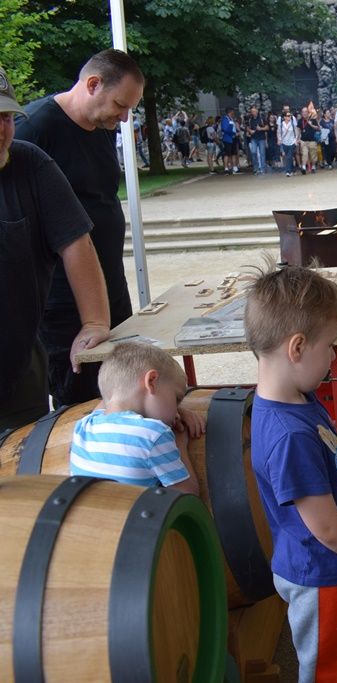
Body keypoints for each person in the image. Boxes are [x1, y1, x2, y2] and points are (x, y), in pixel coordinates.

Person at [245, 263, 337, 683]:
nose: (333, 356)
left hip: (327, 565)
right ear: (296, 348)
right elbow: (326, 527)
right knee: (328, 671)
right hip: (320, 573)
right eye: (329, 346)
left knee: (336, 653)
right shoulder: (289, 435)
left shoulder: (299, 398)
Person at [15, 48, 144, 409]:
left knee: (125, 388)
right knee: (82, 401)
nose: (123, 117)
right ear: (92, 84)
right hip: (63, 302)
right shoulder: (34, 128)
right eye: (120, 104)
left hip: (110, 288)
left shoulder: (101, 127)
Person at [0, 66, 111, 430]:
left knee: (22, 479)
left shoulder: (28, 163)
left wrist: (94, 320)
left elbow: (76, 241)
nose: (2, 130)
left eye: (5, 117)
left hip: (18, 373)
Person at [69, 342, 203, 495]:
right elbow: (187, 494)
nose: (176, 411)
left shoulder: (84, 426)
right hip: (133, 518)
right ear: (151, 381)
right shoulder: (154, 435)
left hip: (90, 516)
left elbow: (107, 401)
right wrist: (180, 442)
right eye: (177, 398)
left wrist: (174, 408)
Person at [246, 105, 268, 175]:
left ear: (257, 111)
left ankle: (263, 169)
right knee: (253, 152)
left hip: (261, 138)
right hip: (253, 138)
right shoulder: (250, 119)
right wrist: (250, 131)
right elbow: (247, 127)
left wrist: (261, 129)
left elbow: (267, 127)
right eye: (252, 111)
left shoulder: (262, 118)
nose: (253, 112)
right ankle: (256, 169)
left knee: (262, 154)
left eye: (254, 111)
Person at [278, 108, 298, 177]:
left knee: (289, 156)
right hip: (284, 142)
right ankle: (292, 169)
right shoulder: (282, 124)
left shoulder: (292, 123)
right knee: (287, 156)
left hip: (292, 142)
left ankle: (288, 171)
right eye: (287, 116)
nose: (289, 117)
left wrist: (296, 140)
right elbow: (279, 132)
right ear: (284, 117)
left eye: (289, 116)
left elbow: (296, 131)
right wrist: (279, 140)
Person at [220, 107, 240, 174]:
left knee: (234, 153)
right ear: (230, 112)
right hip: (228, 139)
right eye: (232, 112)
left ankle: (234, 167)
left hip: (233, 138)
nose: (233, 113)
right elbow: (225, 129)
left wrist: (236, 132)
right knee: (227, 154)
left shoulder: (231, 119)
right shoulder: (225, 119)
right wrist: (233, 133)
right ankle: (226, 168)